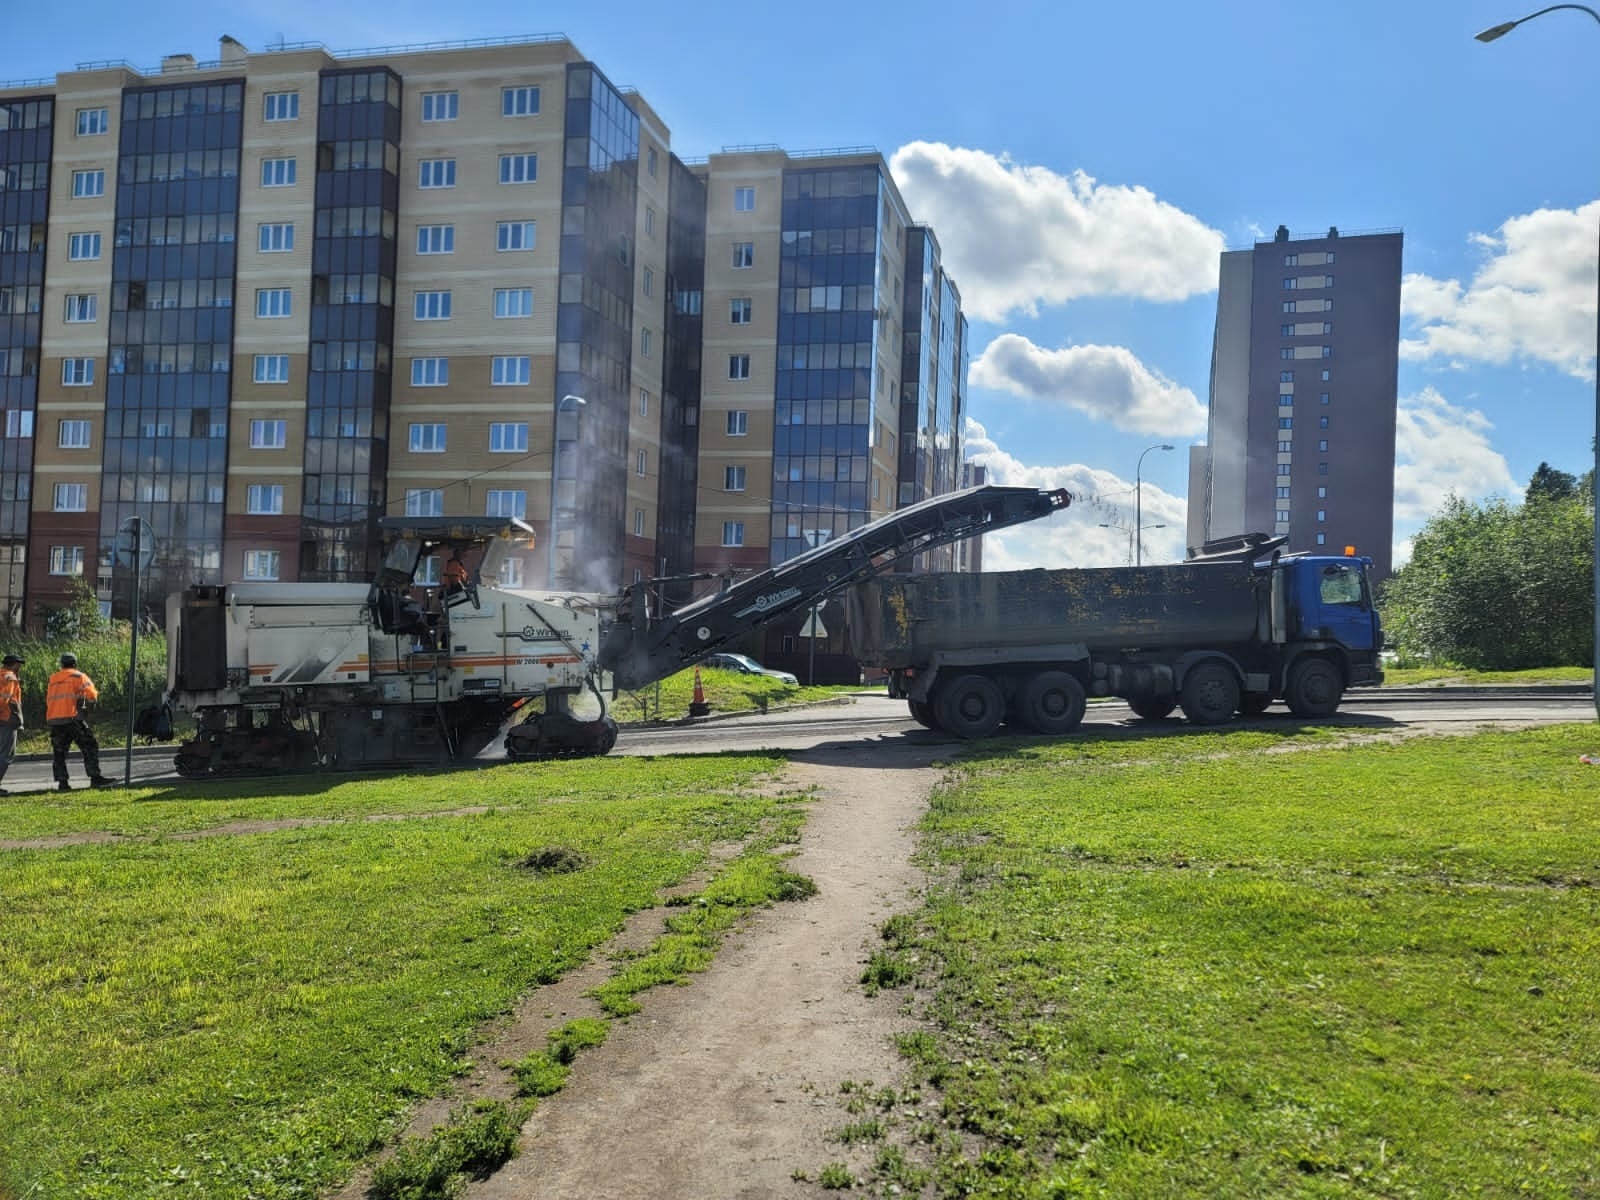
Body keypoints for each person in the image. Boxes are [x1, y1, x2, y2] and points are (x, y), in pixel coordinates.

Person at [46, 652, 113, 791]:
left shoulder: (53, 678)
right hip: (73, 718)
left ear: (62, 664)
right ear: (75, 664)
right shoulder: (78, 676)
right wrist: (87, 708)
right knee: (89, 746)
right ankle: (95, 778)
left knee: (59, 752)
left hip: (55, 720)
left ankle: (62, 783)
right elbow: (92, 696)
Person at [0, 653, 22, 797]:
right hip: (6, 719)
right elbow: (5, 698)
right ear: (14, 664)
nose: (19, 667)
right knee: (5, 754)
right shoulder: (10, 677)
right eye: (19, 664)